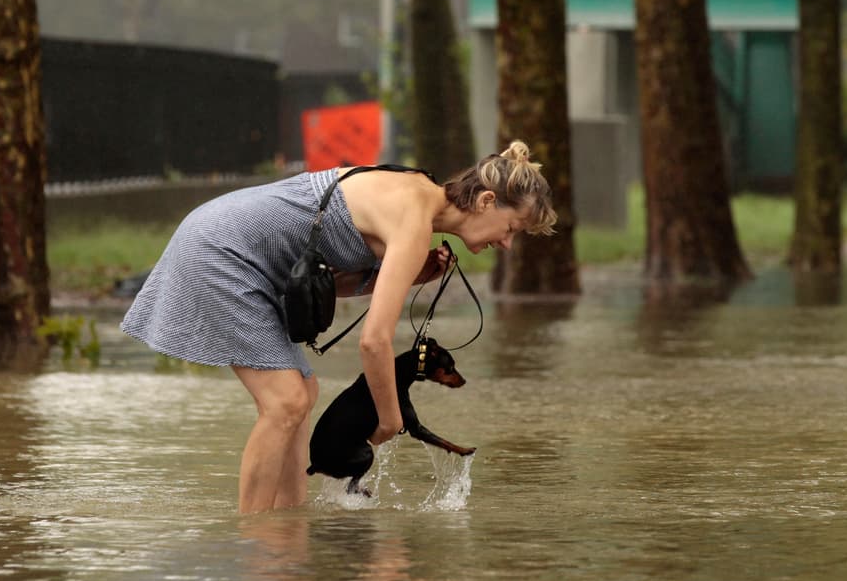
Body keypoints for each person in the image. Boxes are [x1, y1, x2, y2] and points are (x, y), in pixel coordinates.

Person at [120, 141, 557, 514]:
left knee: (302, 396)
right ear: (485, 202)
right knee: (285, 401)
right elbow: (374, 342)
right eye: (512, 227)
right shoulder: (413, 218)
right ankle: (253, 541)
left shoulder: (415, 193)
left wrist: (412, 275)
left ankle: (288, 533)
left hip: (240, 254)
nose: (506, 242)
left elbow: (322, 282)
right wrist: (389, 418)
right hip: (219, 250)